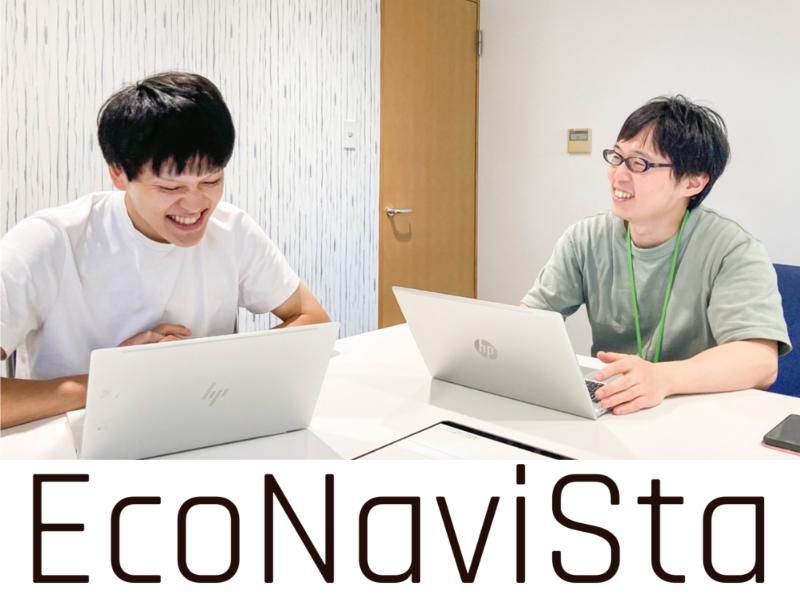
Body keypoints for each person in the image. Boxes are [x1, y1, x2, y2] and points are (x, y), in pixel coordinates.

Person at [0, 71, 330, 429]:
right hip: (71, 439)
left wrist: (196, 370)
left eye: (212, 180)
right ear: (118, 174)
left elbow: (312, 318)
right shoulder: (50, 241)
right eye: (170, 188)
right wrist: (115, 380)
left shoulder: (232, 230)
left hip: (199, 430)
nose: (196, 205)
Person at [521, 95, 791, 415]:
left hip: (697, 414)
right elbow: (530, 322)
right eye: (617, 157)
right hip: (614, 408)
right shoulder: (585, 239)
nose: (618, 175)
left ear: (693, 182)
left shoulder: (732, 249)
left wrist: (663, 378)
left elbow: (760, 362)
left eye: (640, 164)